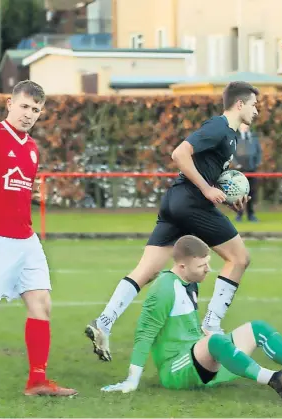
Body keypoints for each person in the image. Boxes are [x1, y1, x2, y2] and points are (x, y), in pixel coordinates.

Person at [86, 82, 259, 362]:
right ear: (239, 105)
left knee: (146, 270)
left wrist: (228, 198)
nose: (257, 111)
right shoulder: (219, 127)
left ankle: (103, 322)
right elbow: (179, 154)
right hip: (191, 202)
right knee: (239, 259)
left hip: (176, 202)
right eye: (254, 104)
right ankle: (211, 325)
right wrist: (205, 189)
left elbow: (209, 173)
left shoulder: (231, 136)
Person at [100, 235, 282, 399]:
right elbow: (144, 335)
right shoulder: (164, 288)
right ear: (182, 267)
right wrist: (132, 380)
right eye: (203, 266)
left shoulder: (189, 281)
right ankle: (274, 379)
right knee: (214, 342)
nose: (209, 270)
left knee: (257, 328)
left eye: (208, 263)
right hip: (175, 370)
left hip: (196, 360)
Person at [0, 80, 77, 396]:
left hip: (27, 240)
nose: (29, 114)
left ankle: (37, 382)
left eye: (35, 110)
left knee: (41, 303)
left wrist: (30, 194)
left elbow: (13, 186)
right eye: (24, 106)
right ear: (10, 103)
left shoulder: (32, 148)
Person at [233, 122, 262, 222]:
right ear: (240, 126)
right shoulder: (236, 138)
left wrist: (257, 163)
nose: (245, 127)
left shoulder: (253, 137)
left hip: (252, 169)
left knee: (251, 193)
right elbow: (232, 152)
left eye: (247, 125)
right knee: (240, 192)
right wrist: (236, 164)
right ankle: (239, 214)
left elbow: (258, 151)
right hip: (241, 169)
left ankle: (251, 215)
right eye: (243, 125)